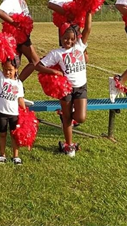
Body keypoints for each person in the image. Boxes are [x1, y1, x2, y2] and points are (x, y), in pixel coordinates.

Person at [35, 12, 94, 157]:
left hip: (81, 87)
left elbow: (88, 29)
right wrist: (54, 72)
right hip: (66, 88)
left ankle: (65, 117)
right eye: (65, 38)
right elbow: (38, 66)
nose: (68, 41)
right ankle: (69, 145)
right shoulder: (56, 53)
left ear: (76, 39)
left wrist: (89, 12)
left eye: (71, 39)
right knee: (68, 118)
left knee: (80, 117)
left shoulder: (79, 47)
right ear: (61, 38)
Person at [0, 0, 40, 88]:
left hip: (21, 35)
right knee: (35, 62)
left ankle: (12, 88)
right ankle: (15, 86)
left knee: (14, 64)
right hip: (18, 36)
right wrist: (14, 23)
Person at [0, 58, 26, 165]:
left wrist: (25, 111)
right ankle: (2, 155)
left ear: (16, 69)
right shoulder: (1, 77)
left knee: (14, 135)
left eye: (10, 70)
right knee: (2, 134)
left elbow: (20, 99)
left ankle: (16, 156)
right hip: (1, 113)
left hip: (14, 114)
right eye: (5, 69)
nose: (7, 72)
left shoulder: (19, 83)